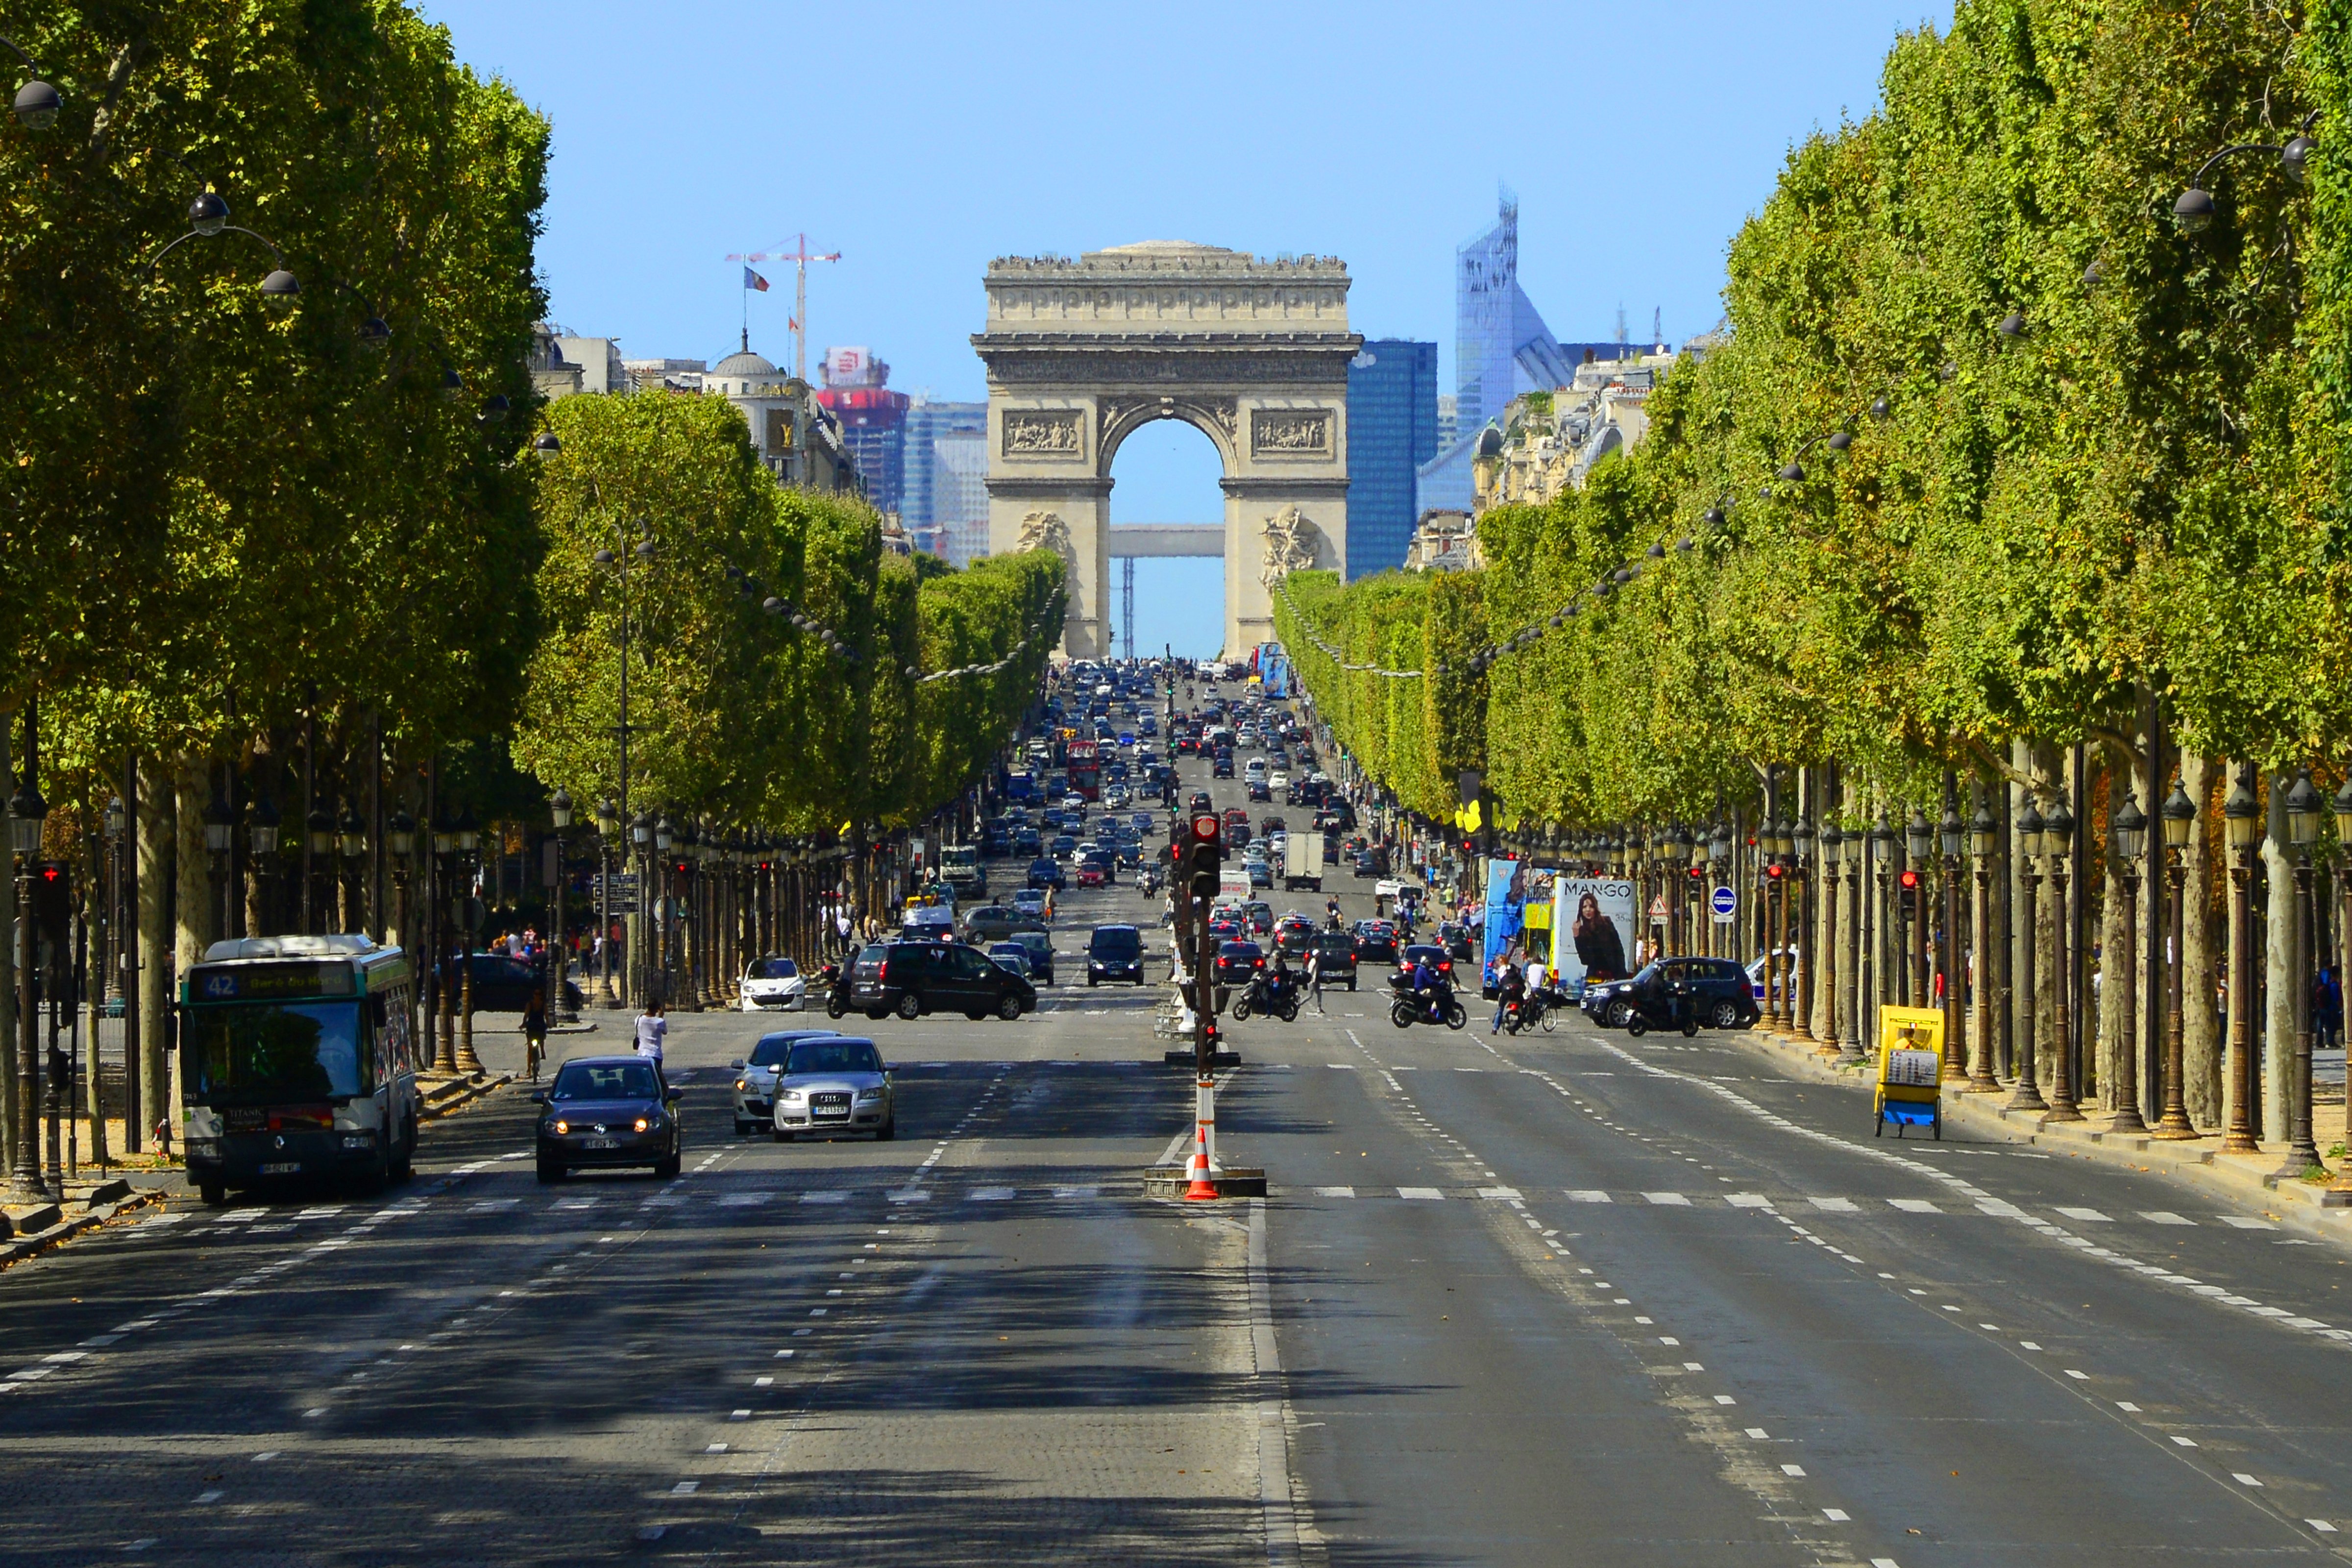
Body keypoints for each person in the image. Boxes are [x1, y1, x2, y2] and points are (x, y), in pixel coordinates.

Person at [1573, 891, 1629, 982]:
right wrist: (1577, 937)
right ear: (1581, 910)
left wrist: (1621, 975)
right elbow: (1585, 960)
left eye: (1591, 907)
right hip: (1594, 976)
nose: (1588, 910)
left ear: (1595, 909)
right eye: (1584, 907)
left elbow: (1618, 949)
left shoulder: (1606, 923)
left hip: (1613, 974)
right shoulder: (1582, 931)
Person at [1491, 953, 1527, 1034]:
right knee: (1522, 1008)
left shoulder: (1505, 978)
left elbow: (1500, 988)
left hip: (1506, 997)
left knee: (1500, 1010)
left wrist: (1497, 993)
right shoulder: (1519, 977)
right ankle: (1523, 1019)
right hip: (1517, 998)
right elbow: (1524, 987)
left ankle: (1495, 1029)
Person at [522, 982, 548, 1081]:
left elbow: (547, 1017)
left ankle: (542, 1050)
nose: (537, 996)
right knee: (530, 1048)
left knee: (541, 1037)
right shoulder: (530, 1004)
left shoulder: (544, 1005)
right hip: (532, 1026)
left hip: (540, 1025)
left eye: (539, 994)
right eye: (535, 994)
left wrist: (549, 1024)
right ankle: (529, 1069)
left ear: (541, 996)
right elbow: (526, 1016)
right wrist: (523, 1024)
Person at [633, 998, 666, 1072]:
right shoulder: (660, 1022)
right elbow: (665, 1032)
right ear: (657, 1010)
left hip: (642, 1053)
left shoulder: (639, 1019)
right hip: (655, 1054)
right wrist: (661, 1017)